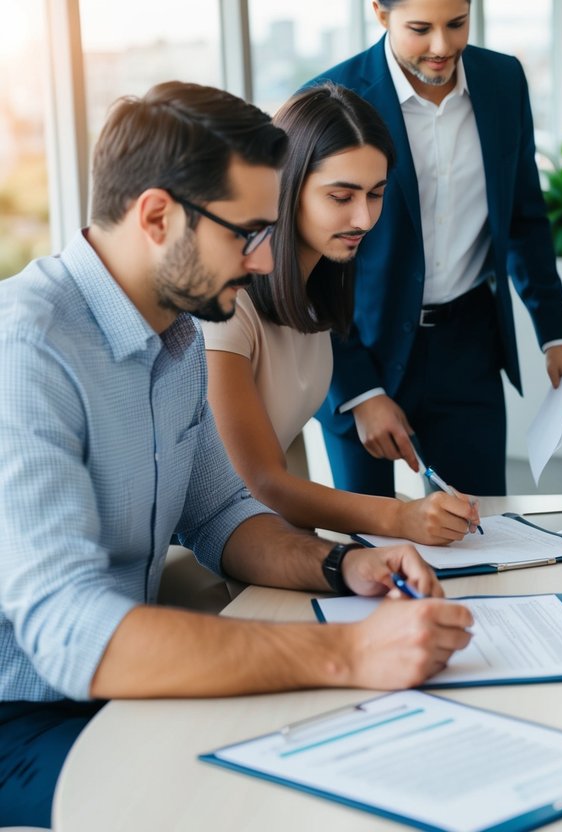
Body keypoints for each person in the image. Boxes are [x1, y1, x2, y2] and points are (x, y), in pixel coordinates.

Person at [0, 82, 474, 828]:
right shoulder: (26, 351)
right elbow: (71, 634)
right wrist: (347, 653)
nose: (262, 262)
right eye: (245, 233)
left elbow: (223, 513)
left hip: (119, 688)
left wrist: (344, 565)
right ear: (156, 216)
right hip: (20, 718)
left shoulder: (178, 334)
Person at [311, 0, 562, 497]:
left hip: (468, 347)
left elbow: (524, 217)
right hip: (358, 345)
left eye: (457, 24)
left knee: (477, 530)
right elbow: (306, 263)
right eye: (420, 28)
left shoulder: (504, 80)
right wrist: (358, 391)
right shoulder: (329, 100)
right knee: (367, 542)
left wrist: (555, 337)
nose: (443, 46)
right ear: (380, 11)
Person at [202, 83, 479, 545]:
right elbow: (260, 484)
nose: (365, 219)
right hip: (194, 551)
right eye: (341, 196)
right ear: (286, 186)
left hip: (256, 537)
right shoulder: (227, 304)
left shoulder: (316, 295)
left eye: (375, 194)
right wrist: (398, 517)